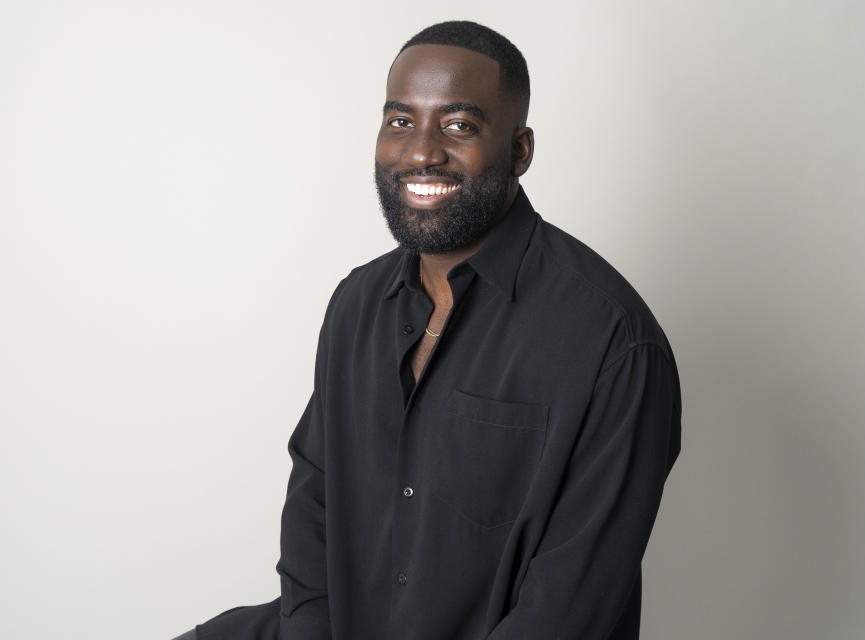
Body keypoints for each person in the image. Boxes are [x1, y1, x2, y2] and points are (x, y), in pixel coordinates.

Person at [174, 20, 680, 640]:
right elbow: (314, 503)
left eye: (459, 126)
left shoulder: (613, 343)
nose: (421, 151)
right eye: (400, 121)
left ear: (519, 151)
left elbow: (571, 605)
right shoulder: (357, 303)